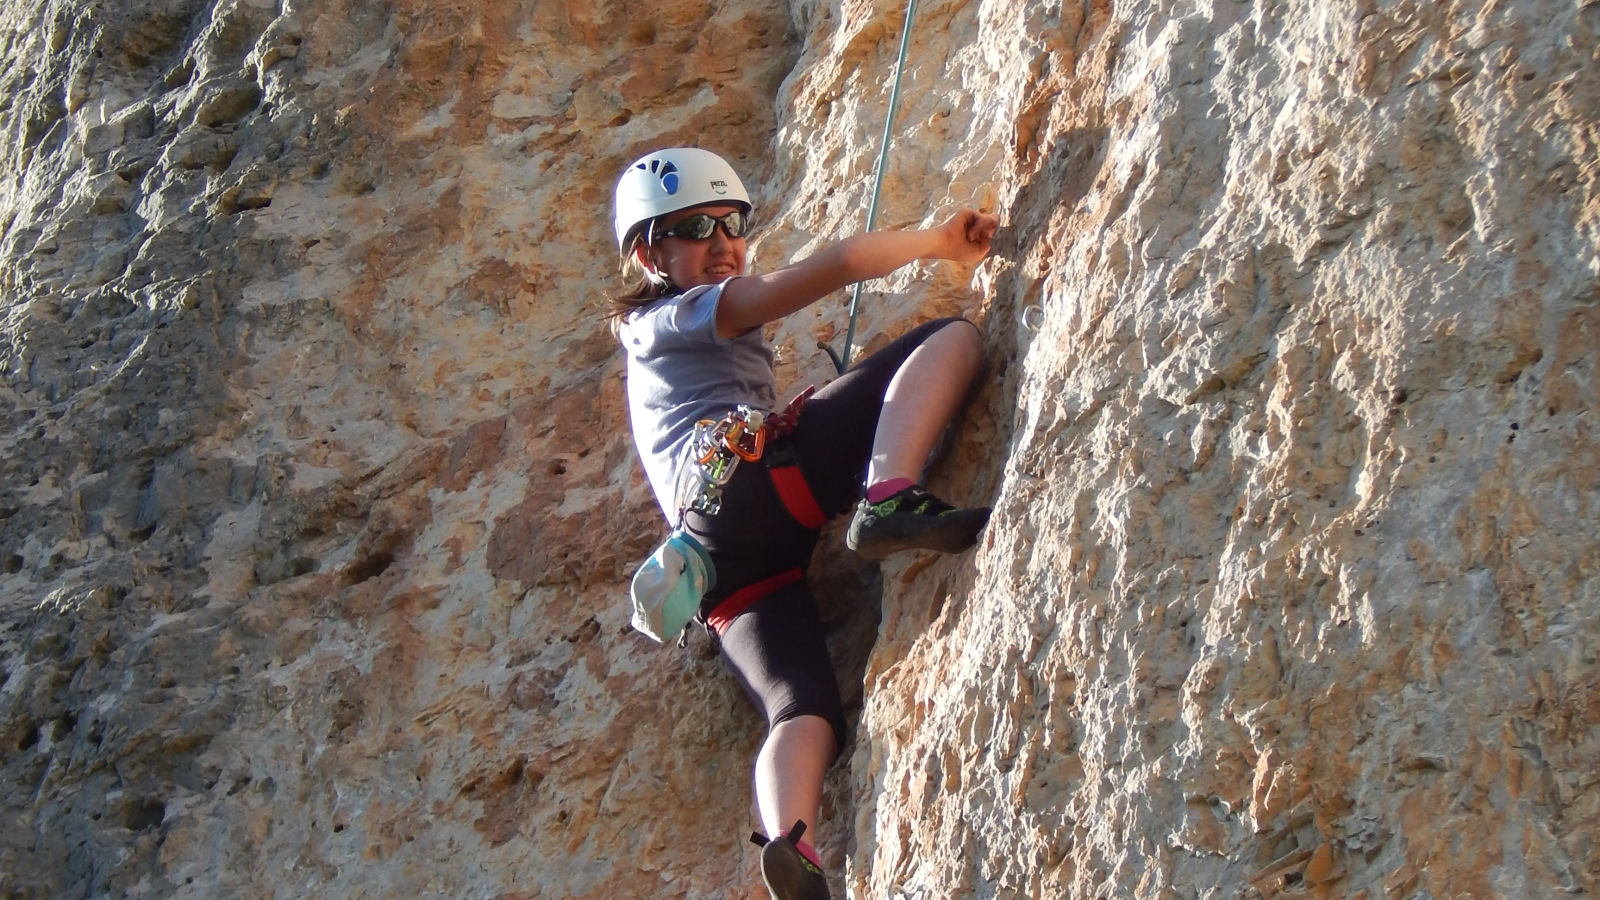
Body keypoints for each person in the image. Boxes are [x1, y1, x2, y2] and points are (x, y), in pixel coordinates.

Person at [611, 147, 997, 900]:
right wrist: (936, 242)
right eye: (696, 228)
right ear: (652, 253)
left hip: (725, 569)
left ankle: (793, 841)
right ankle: (889, 496)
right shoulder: (683, 311)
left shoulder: (651, 340)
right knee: (952, 338)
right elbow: (834, 267)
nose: (723, 243)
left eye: (733, 223)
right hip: (751, 484)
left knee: (801, 706)